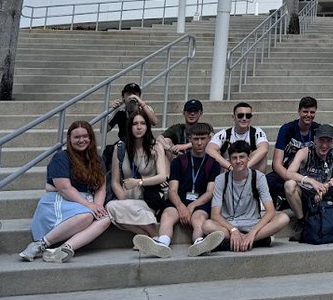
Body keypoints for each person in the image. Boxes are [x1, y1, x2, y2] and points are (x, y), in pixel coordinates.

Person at [20, 120, 112, 263]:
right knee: (87, 216)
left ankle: (63, 249)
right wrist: (91, 206)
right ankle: (40, 244)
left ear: (91, 138)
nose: (81, 140)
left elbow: (101, 187)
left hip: (84, 202)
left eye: (85, 136)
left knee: (105, 219)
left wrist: (98, 206)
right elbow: (65, 189)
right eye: (77, 137)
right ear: (69, 139)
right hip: (60, 201)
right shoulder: (61, 158)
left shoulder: (97, 160)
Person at [150, 122, 225, 258]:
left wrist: (192, 206)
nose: (200, 143)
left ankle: (199, 243)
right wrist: (181, 206)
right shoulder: (178, 161)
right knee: (167, 215)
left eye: (203, 139)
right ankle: (162, 244)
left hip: (200, 202)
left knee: (199, 219)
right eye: (196, 139)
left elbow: (210, 192)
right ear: (189, 139)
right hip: (179, 200)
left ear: (209, 139)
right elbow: (172, 190)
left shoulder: (214, 163)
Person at [201, 141, 289, 251]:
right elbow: (215, 215)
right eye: (234, 158)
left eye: (242, 157)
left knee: (283, 218)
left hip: (252, 223)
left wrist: (253, 232)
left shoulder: (259, 177)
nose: (238, 161)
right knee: (206, 225)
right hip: (229, 225)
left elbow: (270, 211)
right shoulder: (221, 179)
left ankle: (232, 243)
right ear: (230, 160)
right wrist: (233, 230)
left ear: (248, 158)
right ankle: (258, 241)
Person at [107, 109, 170, 254]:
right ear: (130, 127)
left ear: (148, 126)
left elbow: (162, 176)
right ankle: (147, 237)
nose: (139, 127)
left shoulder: (155, 147)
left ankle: (153, 235)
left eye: (142, 123)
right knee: (111, 207)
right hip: (127, 197)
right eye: (135, 124)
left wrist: (139, 182)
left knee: (135, 210)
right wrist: (124, 200)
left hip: (148, 197)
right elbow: (115, 181)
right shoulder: (120, 148)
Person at [285, 123, 333, 239]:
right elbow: (289, 173)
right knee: (289, 185)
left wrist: (330, 182)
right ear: (315, 140)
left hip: (327, 190)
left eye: (329, 141)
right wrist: (310, 181)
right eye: (321, 140)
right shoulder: (304, 152)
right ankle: (302, 222)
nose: (325, 145)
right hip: (307, 192)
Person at [270, 96, 322, 201]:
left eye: (312, 112)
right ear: (299, 112)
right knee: (269, 180)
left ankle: (287, 201)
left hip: (310, 172)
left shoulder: (318, 129)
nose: (309, 115)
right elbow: (276, 164)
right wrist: (292, 177)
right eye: (305, 112)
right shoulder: (287, 129)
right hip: (288, 171)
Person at [207, 102, 270, 171]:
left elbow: (264, 149)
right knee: (215, 154)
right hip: (229, 170)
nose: (244, 118)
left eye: (248, 116)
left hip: (249, 169)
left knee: (262, 156)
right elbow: (209, 149)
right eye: (240, 115)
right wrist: (230, 166)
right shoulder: (224, 133)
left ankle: (256, 180)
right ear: (233, 117)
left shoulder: (256, 132)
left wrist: (244, 167)